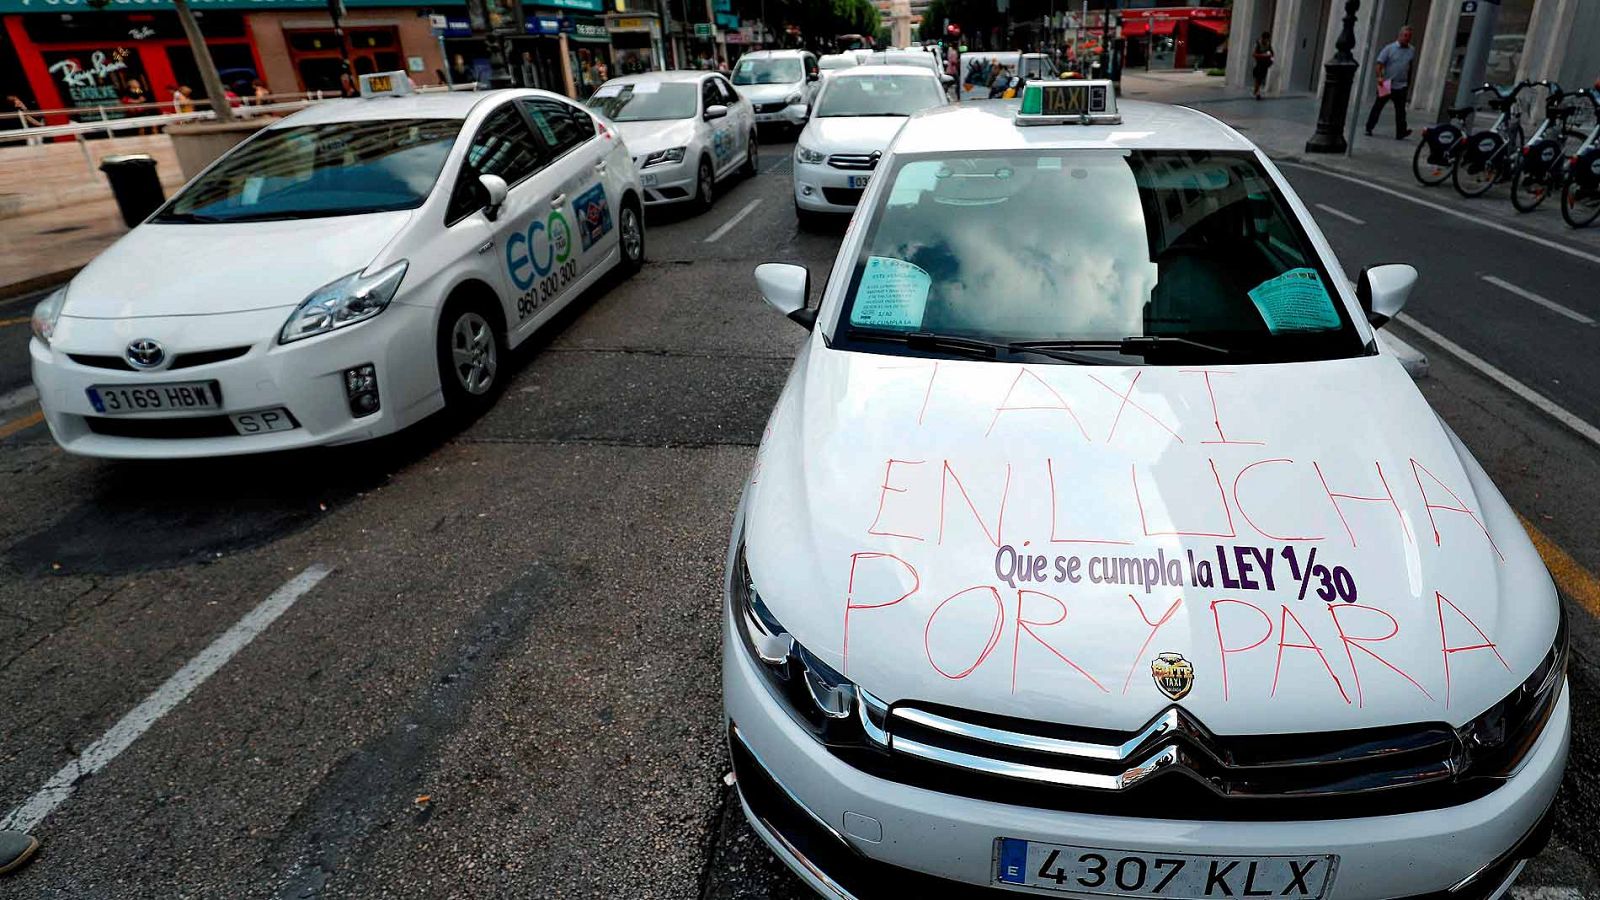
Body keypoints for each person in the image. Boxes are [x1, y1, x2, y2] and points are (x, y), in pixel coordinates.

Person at [1365, 24, 1416, 139]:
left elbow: (1410, 66)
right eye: (1405, 36)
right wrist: (1380, 78)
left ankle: (1401, 131)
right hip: (1387, 83)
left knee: (1401, 111)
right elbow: (1379, 64)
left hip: (1401, 84)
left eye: (1409, 36)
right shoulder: (1389, 48)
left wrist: (1408, 82)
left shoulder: (1411, 50)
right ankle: (1369, 127)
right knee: (1378, 107)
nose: (1407, 38)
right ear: (1400, 35)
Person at [1251, 31, 1273, 100]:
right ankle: (1257, 92)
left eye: (1268, 39)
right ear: (1263, 38)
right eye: (1266, 39)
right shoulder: (1258, 43)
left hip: (1264, 64)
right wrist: (1263, 55)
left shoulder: (1268, 44)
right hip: (1258, 63)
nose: (1267, 41)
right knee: (1258, 77)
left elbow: (1271, 53)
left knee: (1260, 78)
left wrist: (1270, 58)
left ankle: (1256, 90)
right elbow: (1254, 54)